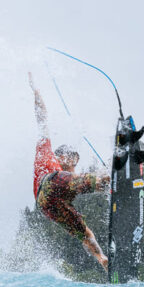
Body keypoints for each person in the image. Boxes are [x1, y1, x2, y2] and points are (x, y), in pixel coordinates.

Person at [30, 73, 110, 270]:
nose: (74, 167)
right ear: (63, 157)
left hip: (47, 205)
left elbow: (77, 181)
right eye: (73, 162)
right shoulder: (47, 152)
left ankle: (102, 259)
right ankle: (110, 180)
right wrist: (36, 91)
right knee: (80, 181)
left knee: (82, 230)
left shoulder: (67, 177)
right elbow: (42, 118)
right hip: (49, 184)